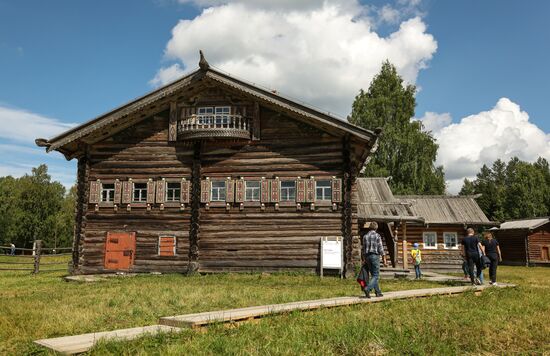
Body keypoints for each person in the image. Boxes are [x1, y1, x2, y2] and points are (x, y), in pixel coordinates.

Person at [362, 222, 387, 298]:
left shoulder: (365, 236)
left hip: (367, 257)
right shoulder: (377, 236)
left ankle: (378, 292)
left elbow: (363, 248)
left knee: (373, 275)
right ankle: (367, 288)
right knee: (376, 275)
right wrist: (384, 259)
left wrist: (363, 258)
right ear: (376, 228)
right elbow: (380, 248)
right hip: (374, 256)